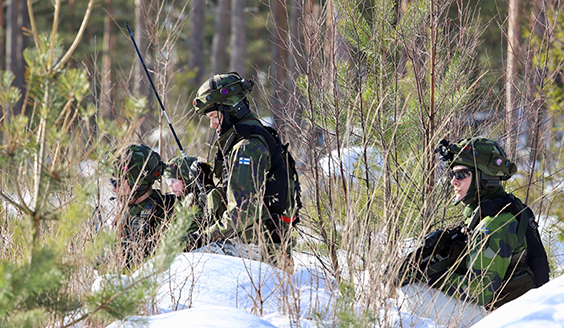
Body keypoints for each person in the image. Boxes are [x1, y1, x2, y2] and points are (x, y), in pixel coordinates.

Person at [397, 137, 549, 327]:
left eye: (461, 174)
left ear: (483, 177)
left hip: (504, 319)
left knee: (410, 292)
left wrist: (429, 275)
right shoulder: (495, 210)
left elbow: (479, 291)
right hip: (504, 312)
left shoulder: (495, 223)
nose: (453, 181)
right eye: (452, 174)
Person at [188, 72, 296, 269]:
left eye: (213, 116)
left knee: (187, 261)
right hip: (256, 245)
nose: (212, 125)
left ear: (232, 110)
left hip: (260, 250)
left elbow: (242, 212)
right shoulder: (246, 141)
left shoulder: (247, 147)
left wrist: (200, 238)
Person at [110, 144, 176, 268]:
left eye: (117, 183)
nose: (114, 189)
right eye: (112, 182)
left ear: (137, 181)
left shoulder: (165, 212)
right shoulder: (125, 214)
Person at [163, 155, 212, 234]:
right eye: (167, 181)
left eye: (173, 181)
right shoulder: (174, 201)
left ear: (187, 179)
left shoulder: (202, 199)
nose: (169, 185)